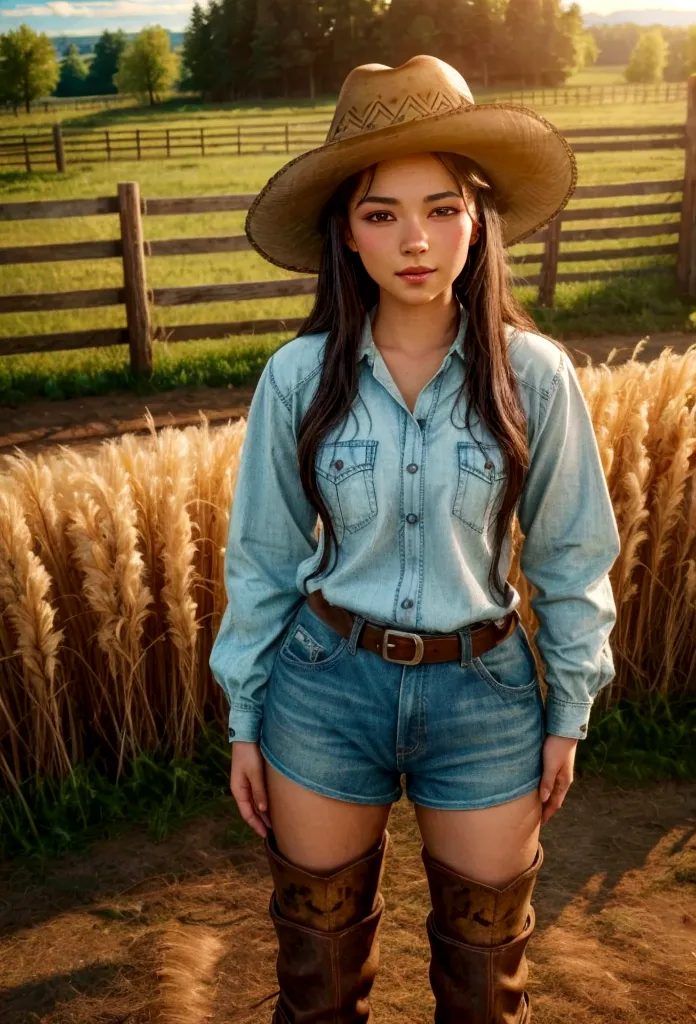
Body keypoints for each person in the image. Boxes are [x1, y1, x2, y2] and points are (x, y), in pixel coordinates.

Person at [209, 54, 621, 1023]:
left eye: (441, 208)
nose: (416, 240)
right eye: (381, 212)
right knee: (318, 991)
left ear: (479, 221)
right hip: (323, 687)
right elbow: (263, 559)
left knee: (486, 995)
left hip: (486, 700)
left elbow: (570, 556)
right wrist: (245, 713)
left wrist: (570, 705)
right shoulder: (298, 378)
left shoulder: (538, 378)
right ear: (346, 235)